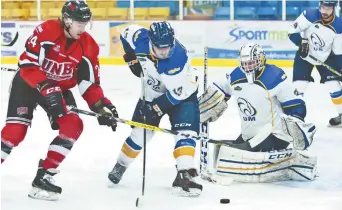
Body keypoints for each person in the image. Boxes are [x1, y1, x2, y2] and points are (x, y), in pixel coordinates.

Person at [1, 1, 119, 201]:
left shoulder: (88, 46)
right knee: (14, 133)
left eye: (85, 23)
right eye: (78, 23)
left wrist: (102, 106)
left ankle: (44, 176)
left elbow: (89, 84)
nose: (82, 27)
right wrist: (47, 87)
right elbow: (28, 65)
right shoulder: (46, 31)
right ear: (66, 20)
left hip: (59, 89)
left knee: (73, 125)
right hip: (29, 84)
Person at [198, 43, 317, 183]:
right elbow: (220, 87)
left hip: (275, 134)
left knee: (237, 157)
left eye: (251, 63)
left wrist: (296, 118)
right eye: (245, 63)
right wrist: (208, 101)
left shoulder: (275, 76)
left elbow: (296, 103)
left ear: (260, 60)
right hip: (249, 134)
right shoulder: (235, 76)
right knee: (226, 154)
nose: (248, 66)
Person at [107, 22, 202, 196]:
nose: (165, 52)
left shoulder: (176, 59)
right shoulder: (140, 39)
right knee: (140, 134)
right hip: (152, 91)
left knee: (185, 132)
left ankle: (185, 172)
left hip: (183, 95)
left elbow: (177, 94)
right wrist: (131, 58)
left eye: (168, 47)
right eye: (160, 48)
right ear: (151, 42)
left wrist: (157, 108)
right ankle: (120, 165)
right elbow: (125, 32)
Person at [288, 0, 342, 126]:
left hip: (326, 58)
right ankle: (293, 118)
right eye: (322, 7)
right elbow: (292, 31)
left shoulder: (339, 26)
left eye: (328, 9)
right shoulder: (309, 15)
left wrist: (340, 68)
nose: (324, 11)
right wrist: (301, 43)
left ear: (335, 8)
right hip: (304, 57)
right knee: (298, 87)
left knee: (334, 86)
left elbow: (338, 52)